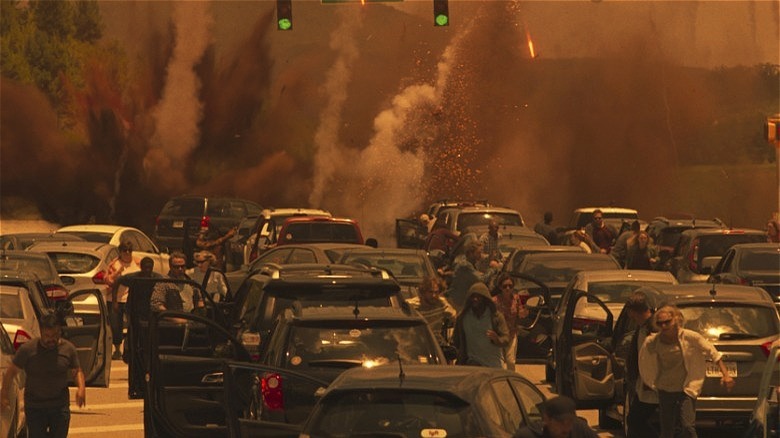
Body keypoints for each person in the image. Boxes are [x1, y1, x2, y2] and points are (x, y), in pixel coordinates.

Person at [639, 304, 735, 438]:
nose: (664, 327)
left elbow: (712, 352)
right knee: (667, 430)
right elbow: (644, 361)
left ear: (676, 320)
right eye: (660, 324)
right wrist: (649, 382)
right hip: (665, 389)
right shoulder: (653, 341)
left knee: (688, 426)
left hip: (686, 388)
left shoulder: (690, 337)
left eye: (667, 322)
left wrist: (726, 375)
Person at [1, 314, 86, 438]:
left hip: (59, 406)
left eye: (55, 335)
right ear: (41, 333)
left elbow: (77, 371)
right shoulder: (28, 350)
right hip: (35, 407)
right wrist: (4, 395)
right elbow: (11, 372)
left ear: (59, 332)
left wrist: (81, 389)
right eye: (47, 336)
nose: (51, 339)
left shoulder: (68, 349)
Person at [624, 292, 659, 438]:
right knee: (634, 421)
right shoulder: (643, 327)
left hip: (653, 385)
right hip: (644, 383)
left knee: (635, 420)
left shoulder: (654, 328)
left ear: (633, 311)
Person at [452, 282, 510, 368]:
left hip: (493, 364)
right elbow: (456, 340)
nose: (475, 299)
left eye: (478, 297)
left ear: (485, 298)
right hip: (472, 362)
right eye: (473, 296)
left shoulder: (495, 317)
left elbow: (506, 339)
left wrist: (497, 339)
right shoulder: (463, 317)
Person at [105, 239, 141, 360]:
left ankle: (132, 348)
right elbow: (108, 281)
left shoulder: (137, 263)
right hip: (114, 300)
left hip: (131, 300)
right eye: (124, 250)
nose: (127, 253)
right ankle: (116, 349)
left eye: (129, 250)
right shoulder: (114, 265)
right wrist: (118, 273)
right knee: (116, 325)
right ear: (120, 252)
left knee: (133, 324)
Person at [446, 241, 499, 313]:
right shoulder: (465, 265)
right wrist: (492, 269)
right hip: (457, 302)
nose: (480, 255)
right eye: (478, 253)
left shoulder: (471, 264)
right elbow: (481, 280)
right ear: (471, 253)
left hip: (462, 301)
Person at [514, 395, 599, 438]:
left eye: (570, 422)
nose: (566, 428)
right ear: (546, 419)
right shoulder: (527, 436)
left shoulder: (579, 429)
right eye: (561, 422)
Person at [492, 273, 529, 371]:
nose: (507, 288)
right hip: (498, 335)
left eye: (510, 286)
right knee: (499, 362)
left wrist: (525, 311)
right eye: (505, 286)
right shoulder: (494, 301)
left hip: (511, 335)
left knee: (511, 361)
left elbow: (521, 313)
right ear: (500, 287)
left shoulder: (516, 299)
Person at [405, 276, 456, 346]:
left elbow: (456, 319)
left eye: (436, 292)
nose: (434, 295)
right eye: (430, 292)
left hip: (437, 344)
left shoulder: (442, 303)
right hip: (418, 344)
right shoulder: (412, 305)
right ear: (423, 292)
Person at [150, 251, 204, 316]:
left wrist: (199, 311)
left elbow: (200, 300)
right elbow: (156, 305)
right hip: (173, 323)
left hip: (192, 320)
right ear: (170, 266)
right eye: (176, 267)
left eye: (182, 266)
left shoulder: (191, 282)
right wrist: (173, 318)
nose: (180, 269)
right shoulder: (164, 283)